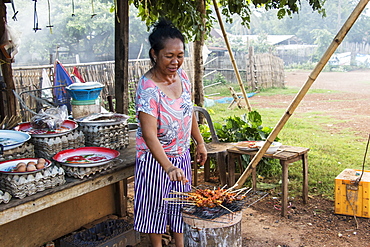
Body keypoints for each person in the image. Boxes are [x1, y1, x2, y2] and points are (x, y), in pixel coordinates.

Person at [133, 18, 207, 247]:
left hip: (181, 156)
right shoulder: (148, 88)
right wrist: (168, 166)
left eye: (180, 55)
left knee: (180, 206)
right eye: (169, 56)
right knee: (155, 210)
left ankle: (180, 245)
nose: (175, 61)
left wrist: (200, 142)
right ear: (154, 54)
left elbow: (188, 111)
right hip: (155, 162)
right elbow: (149, 135)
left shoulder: (182, 77)